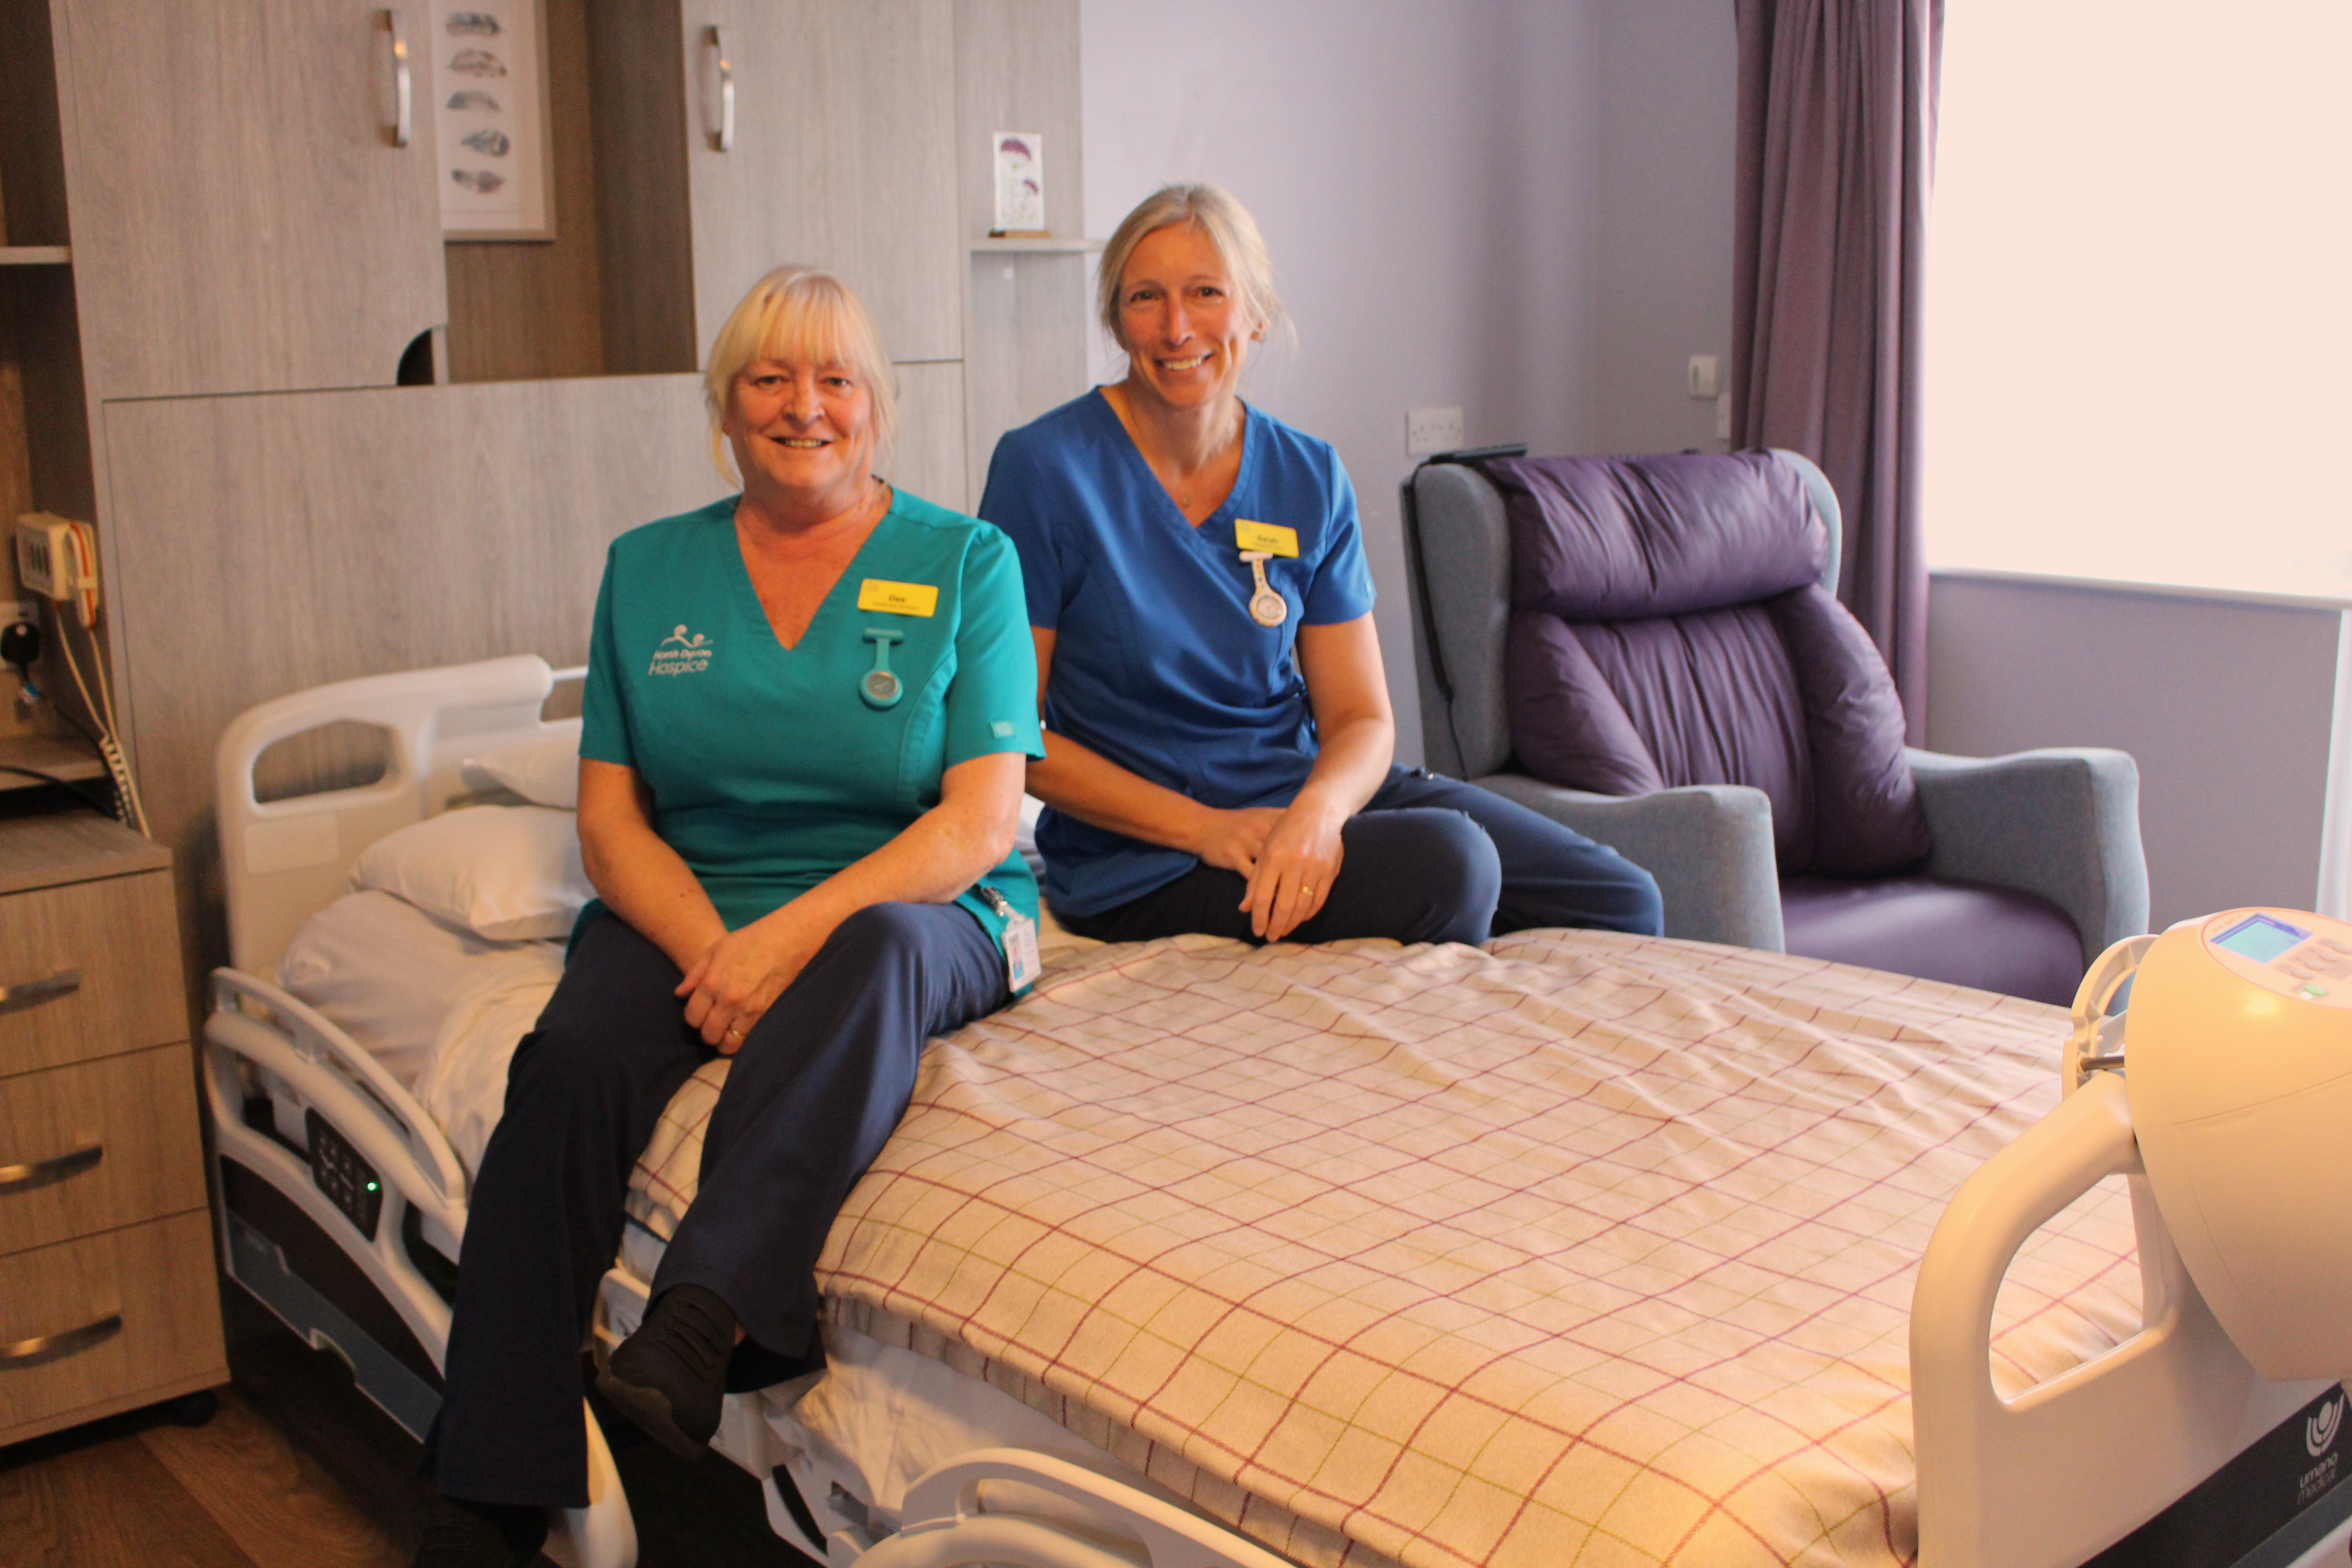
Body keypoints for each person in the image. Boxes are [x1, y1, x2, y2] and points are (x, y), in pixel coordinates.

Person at [413, 266, 1043, 1568]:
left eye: (834, 379)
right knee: (574, 1064)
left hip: (922, 904)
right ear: (724, 405)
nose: (801, 406)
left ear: (879, 407)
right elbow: (611, 824)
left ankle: (699, 1323)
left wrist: (784, 944)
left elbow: (978, 823)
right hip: (694, 908)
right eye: (768, 378)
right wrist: (720, 954)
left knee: (873, 956)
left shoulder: (966, 560)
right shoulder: (649, 571)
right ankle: (487, 1486)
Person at [979, 182, 1661, 948]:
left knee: (1620, 898)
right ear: (1115, 317)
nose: (1177, 328)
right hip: (1151, 855)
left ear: (1256, 312)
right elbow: (1009, 734)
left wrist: (1319, 815)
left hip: (1301, 798)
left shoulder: (1307, 474)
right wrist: (1206, 830)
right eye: (1146, 298)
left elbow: (1362, 718)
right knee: (1453, 864)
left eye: (1208, 293)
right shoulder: (1043, 470)